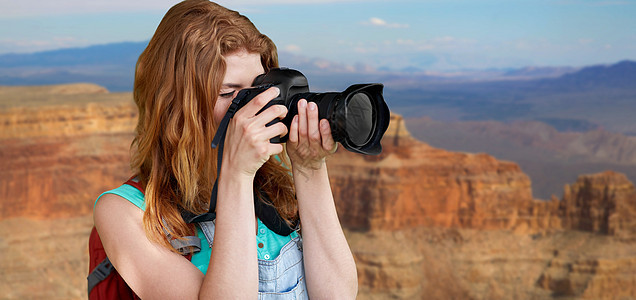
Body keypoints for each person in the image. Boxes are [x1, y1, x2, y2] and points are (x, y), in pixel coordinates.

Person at [93, 0, 358, 298]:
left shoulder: (276, 189)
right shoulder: (126, 212)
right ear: (175, 105)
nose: (251, 106)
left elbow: (338, 295)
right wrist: (236, 176)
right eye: (228, 93)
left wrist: (309, 168)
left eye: (258, 90)